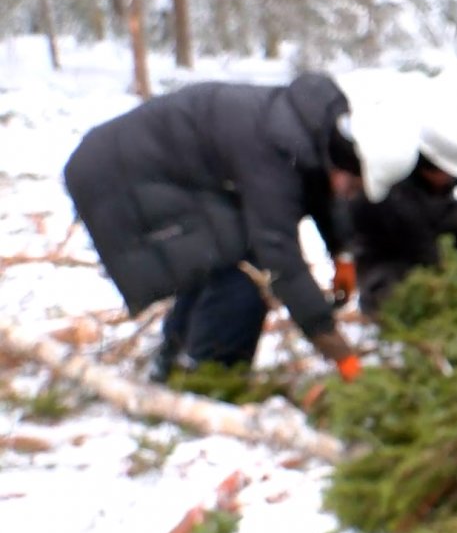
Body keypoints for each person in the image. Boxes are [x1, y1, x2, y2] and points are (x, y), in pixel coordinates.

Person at [61, 72, 391, 386]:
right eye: (352, 186)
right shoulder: (273, 155)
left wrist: (342, 253)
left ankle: (176, 360)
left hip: (139, 165)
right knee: (246, 270)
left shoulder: (310, 129)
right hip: (116, 179)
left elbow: (319, 189)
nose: (348, 195)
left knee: (219, 252)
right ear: (345, 163)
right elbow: (280, 259)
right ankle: (211, 378)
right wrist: (339, 352)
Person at [346, 121, 457, 317]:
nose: (455, 178)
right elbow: (427, 254)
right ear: (430, 168)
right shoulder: (396, 192)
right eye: (450, 173)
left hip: (431, 231)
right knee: (403, 297)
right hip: (390, 263)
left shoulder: (445, 163)